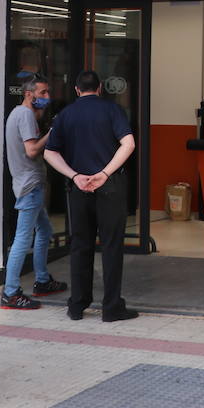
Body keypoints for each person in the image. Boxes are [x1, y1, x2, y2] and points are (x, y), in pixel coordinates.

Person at [43, 70, 137, 322]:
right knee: (111, 247)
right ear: (99, 88)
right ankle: (111, 307)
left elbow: (49, 153)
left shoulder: (65, 115)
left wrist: (74, 176)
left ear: (76, 90)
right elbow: (129, 144)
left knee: (80, 246)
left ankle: (77, 305)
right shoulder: (112, 110)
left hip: (79, 189)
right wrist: (105, 173)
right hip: (110, 188)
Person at [0, 77, 67, 310]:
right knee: (22, 238)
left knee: (45, 230)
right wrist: (53, 131)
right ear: (29, 94)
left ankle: (42, 280)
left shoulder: (18, 114)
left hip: (28, 183)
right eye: (43, 92)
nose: (47, 97)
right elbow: (31, 150)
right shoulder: (25, 115)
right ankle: (10, 292)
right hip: (30, 186)